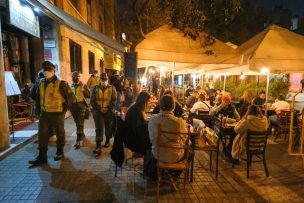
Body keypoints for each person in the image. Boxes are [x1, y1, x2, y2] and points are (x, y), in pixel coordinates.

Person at [29, 61, 76, 165]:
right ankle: (42, 156)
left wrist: (64, 110)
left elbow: (71, 98)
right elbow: (32, 95)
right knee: (42, 134)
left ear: (53, 71)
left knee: (60, 134)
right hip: (44, 114)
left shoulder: (61, 83)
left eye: (48, 70)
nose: (46, 72)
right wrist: (36, 83)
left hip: (57, 114)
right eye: (44, 70)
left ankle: (59, 152)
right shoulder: (40, 82)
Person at [148, 95, 189, 163]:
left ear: (160, 105)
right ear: (173, 106)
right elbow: (185, 137)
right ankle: (175, 173)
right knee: (190, 152)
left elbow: (153, 139)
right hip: (175, 155)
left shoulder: (153, 119)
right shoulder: (179, 122)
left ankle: (164, 171)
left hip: (157, 154)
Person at [91, 73, 117, 155]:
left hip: (108, 111)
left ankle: (107, 140)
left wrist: (107, 108)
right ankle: (98, 145)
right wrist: (99, 109)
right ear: (100, 80)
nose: (104, 81)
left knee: (108, 127)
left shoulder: (112, 88)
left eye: (105, 80)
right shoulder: (95, 88)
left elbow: (114, 100)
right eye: (103, 80)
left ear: (108, 80)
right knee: (98, 128)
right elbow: (92, 100)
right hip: (98, 111)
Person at [124, 91, 151, 156]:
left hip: (132, 136)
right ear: (144, 101)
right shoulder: (136, 111)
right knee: (152, 139)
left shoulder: (136, 107)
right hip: (133, 140)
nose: (149, 103)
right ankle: (147, 159)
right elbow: (137, 130)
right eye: (148, 101)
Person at [70, 71, 90, 149]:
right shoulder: (70, 85)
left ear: (79, 77)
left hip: (81, 106)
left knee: (79, 123)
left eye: (76, 77)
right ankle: (82, 134)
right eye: (74, 77)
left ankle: (78, 140)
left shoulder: (83, 86)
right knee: (77, 122)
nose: (75, 78)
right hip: (73, 107)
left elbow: (89, 95)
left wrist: (85, 91)